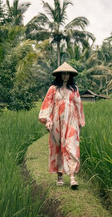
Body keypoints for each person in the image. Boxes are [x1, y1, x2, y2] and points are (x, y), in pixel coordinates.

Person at [38, 62, 85, 190]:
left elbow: (78, 106)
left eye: (67, 73)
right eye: (63, 73)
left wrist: (80, 122)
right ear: (60, 75)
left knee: (71, 147)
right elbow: (48, 105)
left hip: (71, 121)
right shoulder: (53, 89)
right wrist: (47, 120)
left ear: (70, 75)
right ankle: (59, 175)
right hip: (57, 123)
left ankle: (72, 178)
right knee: (58, 147)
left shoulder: (74, 90)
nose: (65, 76)